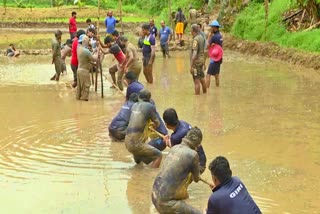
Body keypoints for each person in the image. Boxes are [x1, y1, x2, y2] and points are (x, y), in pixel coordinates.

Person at [151, 127, 203, 214]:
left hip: (154, 196)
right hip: (165, 203)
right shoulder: (193, 155)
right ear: (197, 143)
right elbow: (196, 179)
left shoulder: (174, 148)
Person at [125, 89, 162, 168]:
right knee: (158, 155)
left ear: (139, 97)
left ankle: (139, 176)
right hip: (136, 144)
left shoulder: (134, 105)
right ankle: (150, 176)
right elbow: (157, 123)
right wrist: (153, 125)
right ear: (148, 99)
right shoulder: (149, 106)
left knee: (139, 161)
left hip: (127, 141)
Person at [162, 108, 207, 173]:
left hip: (198, 165)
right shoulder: (183, 123)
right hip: (202, 158)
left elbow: (174, 150)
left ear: (167, 124)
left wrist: (167, 141)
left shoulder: (175, 137)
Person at [76, 34, 98, 101]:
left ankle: (79, 108)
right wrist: (98, 51)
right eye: (87, 41)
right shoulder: (85, 51)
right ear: (84, 41)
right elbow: (94, 58)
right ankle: (84, 109)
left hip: (79, 70)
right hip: (84, 72)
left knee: (80, 91)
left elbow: (87, 57)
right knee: (85, 92)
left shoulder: (78, 48)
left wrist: (94, 51)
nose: (88, 43)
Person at [190, 24, 207, 95]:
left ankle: (197, 100)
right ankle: (205, 95)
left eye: (191, 30)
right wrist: (204, 63)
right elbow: (205, 51)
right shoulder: (202, 37)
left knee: (196, 81)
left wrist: (191, 66)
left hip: (196, 63)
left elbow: (194, 53)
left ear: (193, 30)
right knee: (202, 79)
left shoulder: (196, 39)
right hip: (201, 61)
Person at [206, 20, 223, 88]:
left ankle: (206, 92)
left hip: (214, 59)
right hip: (219, 57)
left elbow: (207, 45)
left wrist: (209, 37)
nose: (211, 29)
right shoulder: (220, 35)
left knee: (208, 75)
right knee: (217, 75)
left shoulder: (214, 37)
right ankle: (217, 88)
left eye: (211, 27)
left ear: (214, 28)